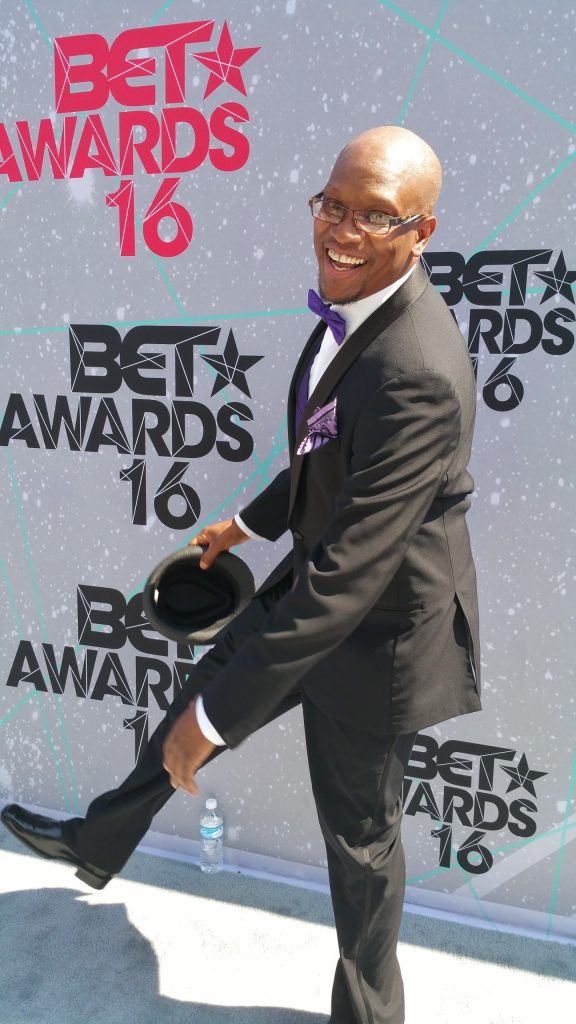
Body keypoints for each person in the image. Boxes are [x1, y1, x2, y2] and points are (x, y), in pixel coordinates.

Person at [2, 126, 481, 1024]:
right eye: (333, 204)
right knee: (199, 692)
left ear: (423, 231)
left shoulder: (419, 368)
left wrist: (214, 729)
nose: (341, 229)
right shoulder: (359, 300)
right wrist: (249, 521)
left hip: (378, 631)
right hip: (323, 577)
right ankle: (99, 843)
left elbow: (347, 580)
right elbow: (323, 451)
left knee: (361, 844)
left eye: (374, 216)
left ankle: (370, 1016)